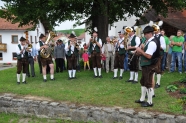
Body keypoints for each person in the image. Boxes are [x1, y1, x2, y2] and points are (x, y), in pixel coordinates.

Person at [135, 26, 160, 107]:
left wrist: (140, 51)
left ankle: (150, 102)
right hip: (146, 64)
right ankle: (142, 99)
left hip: (150, 65)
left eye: (145, 34)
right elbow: (145, 52)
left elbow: (149, 56)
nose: (144, 35)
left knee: (148, 83)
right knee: (143, 81)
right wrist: (141, 50)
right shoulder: (148, 41)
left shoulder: (152, 42)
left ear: (150, 33)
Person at [153, 21, 166, 89]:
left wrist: (157, 46)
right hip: (153, 54)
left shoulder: (161, 37)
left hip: (159, 54)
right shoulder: (153, 36)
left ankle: (158, 83)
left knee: (158, 68)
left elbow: (164, 47)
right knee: (153, 68)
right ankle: (153, 82)